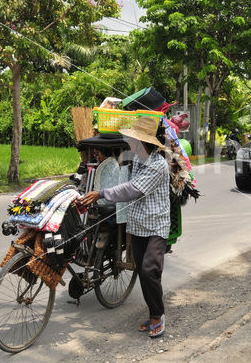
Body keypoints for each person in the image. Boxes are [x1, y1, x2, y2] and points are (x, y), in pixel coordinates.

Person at [80, 116, 170, 339]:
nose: (129, 143)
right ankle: (152, 314)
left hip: (156, 226)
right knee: (142, 270)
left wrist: (101, 193)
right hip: (137, 224)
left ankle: (158, 316)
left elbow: (132, 190)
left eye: (133, 140)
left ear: (143, 143)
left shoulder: (157, 166)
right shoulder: (137, 159)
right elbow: (122, 178)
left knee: (150, 270)